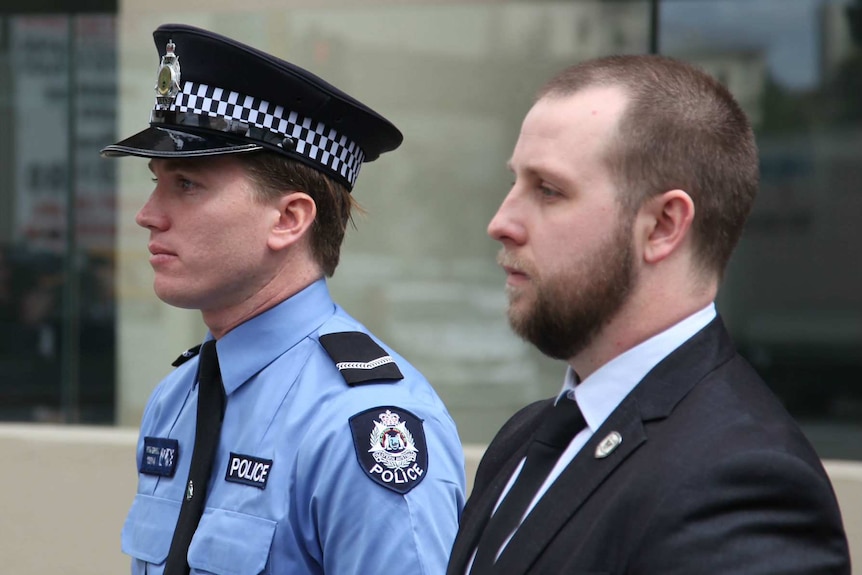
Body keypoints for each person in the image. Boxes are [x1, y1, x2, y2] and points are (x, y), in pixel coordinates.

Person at [447, 54, 851, 575]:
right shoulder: (526, 438)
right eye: (514, 183)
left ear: (663, 225)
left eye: (548, 190)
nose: (501, 222)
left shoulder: (741, 484)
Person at [101, 23, 465, 575]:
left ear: (289, 219)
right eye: (157, 181)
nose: (148, 214)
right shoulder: (178, 397)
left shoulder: (362, 425)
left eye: (187, 185)